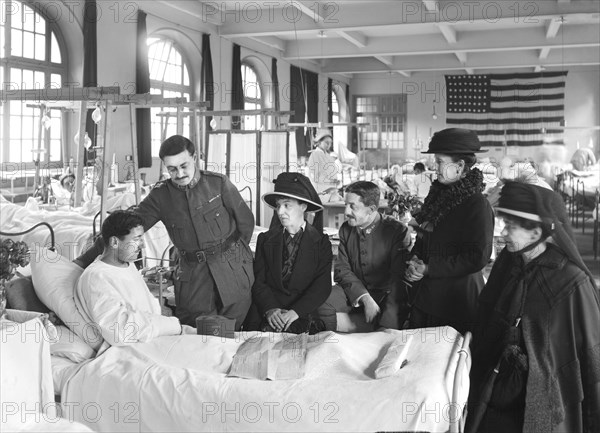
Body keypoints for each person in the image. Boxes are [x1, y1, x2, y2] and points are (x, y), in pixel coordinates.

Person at [75, 135, 255, 330]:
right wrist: (83, 261)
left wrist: (236, 259)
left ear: (195, 158)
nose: (179, 174)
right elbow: (123, 229)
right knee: (200, 338)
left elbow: (245, 223)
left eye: (184, 165)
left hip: (233, 272)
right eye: (172, 169)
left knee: (234, 336)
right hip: (194, 279)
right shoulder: (161, 196)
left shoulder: (218, 184)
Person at [466, 181, 600, 433]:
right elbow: (485, 316)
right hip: (495, 390)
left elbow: (590, 363)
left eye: (511, 227)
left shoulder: (571, 283)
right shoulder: (508, 262)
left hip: (544, 403)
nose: (502, 232)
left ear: (536, 234)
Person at [404, 128, 494, 334]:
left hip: (455, 304)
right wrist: (415, 261)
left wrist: (429, 268)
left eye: (440, 162)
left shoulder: (476, 204)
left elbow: (477, 257)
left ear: (460, 166)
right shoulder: (437, 195)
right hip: (427, 297)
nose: (435, 168)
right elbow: (424, 236)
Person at [75, 211, 190, 350]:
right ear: (115, 242)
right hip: (131, 349)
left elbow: (145, 308)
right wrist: (171, 325)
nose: (142, 246)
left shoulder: (127, 265)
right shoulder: (96, 277)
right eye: (137, 239)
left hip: (156, 337)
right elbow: (119, 330)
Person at [245, 172, 332, 334]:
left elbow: (322, 286)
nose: (280, 211)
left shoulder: (321, 243)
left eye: (287, 205)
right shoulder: (265, 239)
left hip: (302, 312)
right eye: (278, 205)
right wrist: (270, 309)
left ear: (303, 206)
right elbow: (259, 281)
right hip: (268, 312)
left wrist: (296, 312)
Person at [318, 181, 411, 331]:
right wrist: (364, 297)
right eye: (346, 204)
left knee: (388, 332)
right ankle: (332, 345)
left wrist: (387, 318)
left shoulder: (397, 231)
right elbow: (342, 270)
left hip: (388, 297)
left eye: (352, 206)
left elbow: (399, 280)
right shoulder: (346, 229)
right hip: (354, 292)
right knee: (322, 299)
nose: (346, 211)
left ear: (371, 209)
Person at [307, 128, 339, 194]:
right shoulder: (315, 155)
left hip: (330, 188)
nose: (329, 145)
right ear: (319, 142)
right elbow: (314, 176)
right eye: (327, 143)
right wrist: (329, 181)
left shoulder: (328, 155)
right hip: (320, 189)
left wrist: (335, 180)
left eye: (330, 143)